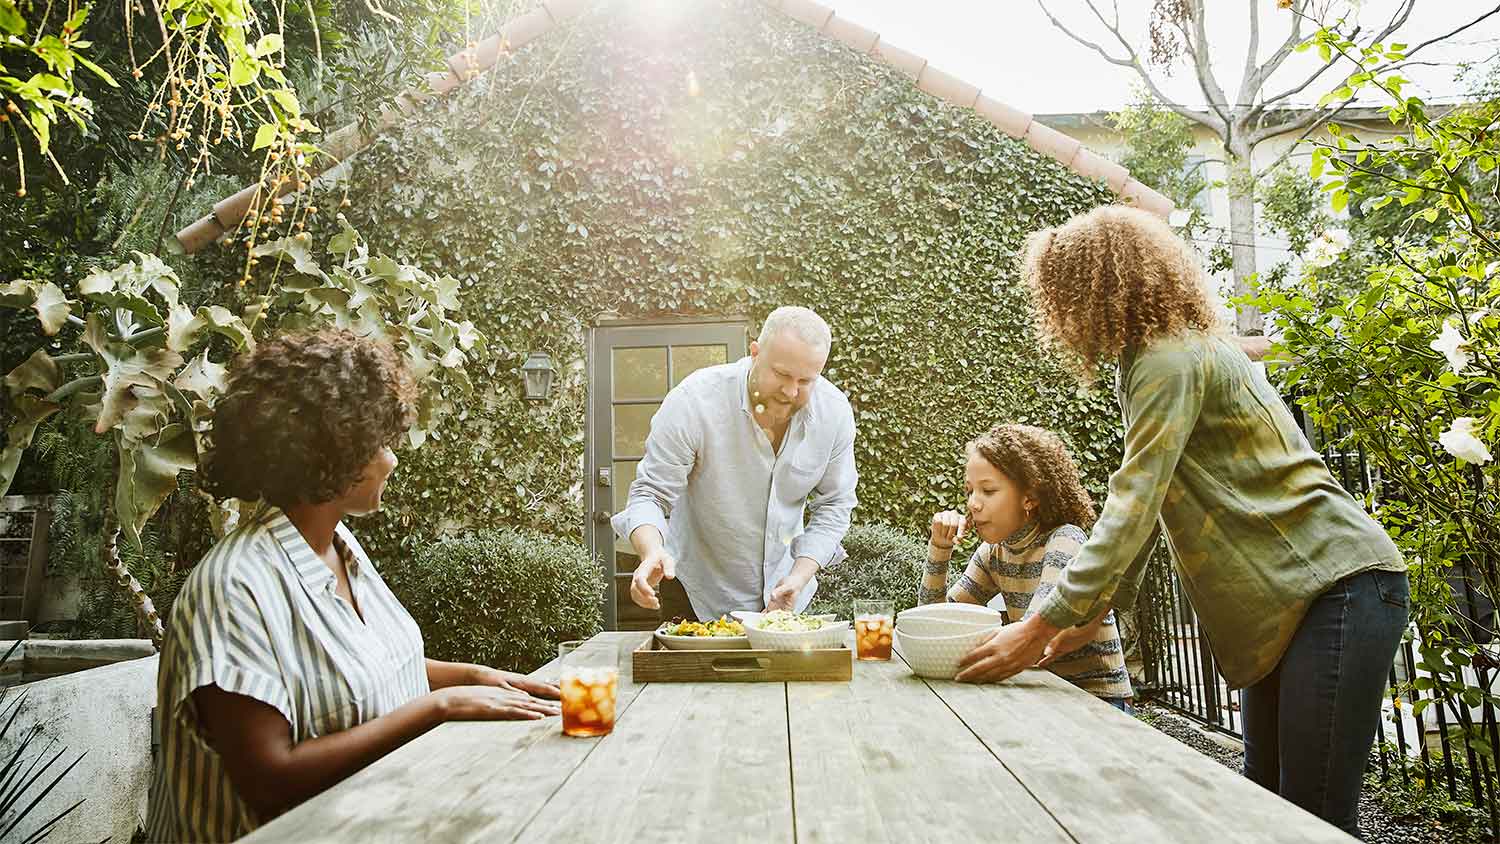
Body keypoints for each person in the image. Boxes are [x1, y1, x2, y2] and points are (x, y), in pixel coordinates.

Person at [957, 205, 1408, 836]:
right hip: (1301, 601)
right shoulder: (1158, 357)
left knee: (1310, 820)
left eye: (1065, 295)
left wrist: (1039, 625)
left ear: (1102, 285)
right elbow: (1150, 509)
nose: (1061, 316)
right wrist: (1090, 617)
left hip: (1335, 585)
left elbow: (1132, 501)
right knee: (1267, 812)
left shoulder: (1167, 360)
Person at [146, 329, 560, 842]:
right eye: (379, 443)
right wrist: (438, 708)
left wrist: (471, 677)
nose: (392, 459)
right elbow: (270, 779)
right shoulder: (234, 588)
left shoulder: (338, 545)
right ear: (331, 451)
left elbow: (358, 670)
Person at [613, 306, 857, 621]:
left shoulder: (834, 414)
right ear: (755, 352)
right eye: (782, 374)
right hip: (696, 592)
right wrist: (650, 553)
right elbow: (650, 494)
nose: (791, 391)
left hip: (788, 592)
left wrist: (799, 577)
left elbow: (835, 507)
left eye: (806, 380)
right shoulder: (695, 401)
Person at [920, 424, 1133, 711]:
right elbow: (935, 624)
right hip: (1038, 695)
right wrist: (939, 549)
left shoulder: (1064, 541)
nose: (973, 504)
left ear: (1029, 497)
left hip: (1095, 701)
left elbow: (1032, 638)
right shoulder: (993, 554)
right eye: (969, 491)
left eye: (988, 490)